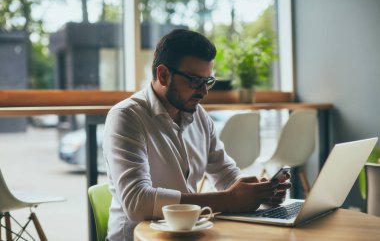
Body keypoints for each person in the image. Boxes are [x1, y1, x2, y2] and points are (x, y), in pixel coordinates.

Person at [102, 29, 291, 241]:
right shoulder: (127, 117)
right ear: (163, 75)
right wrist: (229, 199)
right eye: (194, 81)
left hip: (189, 233)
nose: (204, 92)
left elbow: (225, 173)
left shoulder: (198, 115)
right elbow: (138, 203)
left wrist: (257, 192)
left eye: (208, 81)